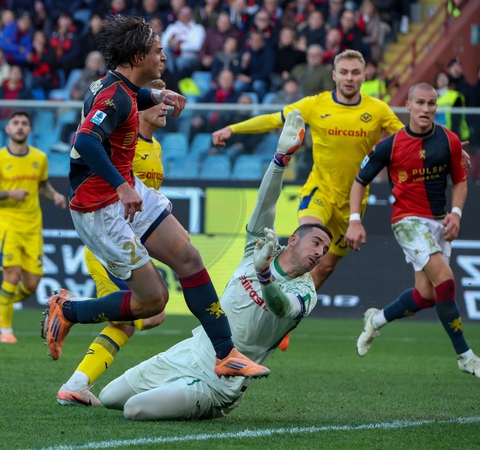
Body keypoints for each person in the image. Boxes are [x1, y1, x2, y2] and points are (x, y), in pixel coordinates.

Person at [41, 15, 267, 380]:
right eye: (157, 51)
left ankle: (226, 353)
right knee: (154, 301)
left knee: (189, 257)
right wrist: (121, 186)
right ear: (137, 57)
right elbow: (85, 140)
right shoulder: (114, 96)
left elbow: (129, 99)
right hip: (100, 208)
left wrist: (157, 94)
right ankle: (67, 311)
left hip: (126, 191)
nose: (163, 56)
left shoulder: (117, 86)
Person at [99, 110, 334, 420]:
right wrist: (280, 160)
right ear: (292, 239)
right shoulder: (260, 247)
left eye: (325, 249)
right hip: (190, 351)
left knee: (134, 409)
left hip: (220, 381)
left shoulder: (306, 292)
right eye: (316, 243)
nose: (320, 252)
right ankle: (179, 394)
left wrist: (264, 275)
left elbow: (282, 308)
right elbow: (265, 203)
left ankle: (210, 405)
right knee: (108, 397)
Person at [212, 49, 403, 291]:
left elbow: (407, 140)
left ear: (364, 75)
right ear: (334, 75)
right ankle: (264, 293)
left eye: (355, 72)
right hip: (319, 191)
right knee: (309, 243)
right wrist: (232, 129)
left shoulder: (378, 110)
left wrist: (441, 147)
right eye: (344, 72)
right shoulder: (315, 104)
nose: (349, 78)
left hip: (352, 201)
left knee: (324, 267)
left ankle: (293, 309)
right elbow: (273, 119)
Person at [345, 82, 480, 378]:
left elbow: (460, 181)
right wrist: (354, 220)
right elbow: (359, 181)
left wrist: (456, 213)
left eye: (431, 103)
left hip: (439, 222)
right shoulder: (390, 145)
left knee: (426, 295)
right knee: (446, 282)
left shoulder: (449, 140)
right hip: (406, 222)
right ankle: (466, 356)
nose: (425, 109)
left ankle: (376, 320)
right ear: (408, 106)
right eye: (419, 103)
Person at [57, 79, 170, 406]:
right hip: (109, 245)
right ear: (137, 108)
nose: (164, 106)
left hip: (129, 244)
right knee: (143, 316)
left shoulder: (155, 147)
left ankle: (76, 384)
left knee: (135, 319)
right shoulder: (123, 148)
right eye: (156, 100)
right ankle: (67, 310)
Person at [0, 110, 67, 344]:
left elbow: (43, 185)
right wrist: (9, 193)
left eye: (24, 123)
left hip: (33, 226)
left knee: (32, 283)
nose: (19, 126)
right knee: (12, 274)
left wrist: (55, 196)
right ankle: (5, 329)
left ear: (29, 129)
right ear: (7, 129)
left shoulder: (40, 157)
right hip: (7, 224)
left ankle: (3, 301)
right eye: (15, 123)